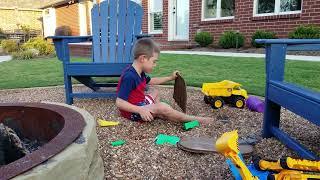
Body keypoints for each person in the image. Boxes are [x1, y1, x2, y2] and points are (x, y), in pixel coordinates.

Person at [116, 38, 213, 124]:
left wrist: (170, 78)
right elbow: (119, 102)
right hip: (134, 112)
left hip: (141, 104)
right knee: (163, 107)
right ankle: (194, 119)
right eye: (154, 62)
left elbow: (152, 81)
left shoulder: (139, 72)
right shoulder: (129, 76)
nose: (155, 65)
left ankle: (157, 112)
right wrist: (141, 110)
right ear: (143, 58)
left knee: (155, 91)